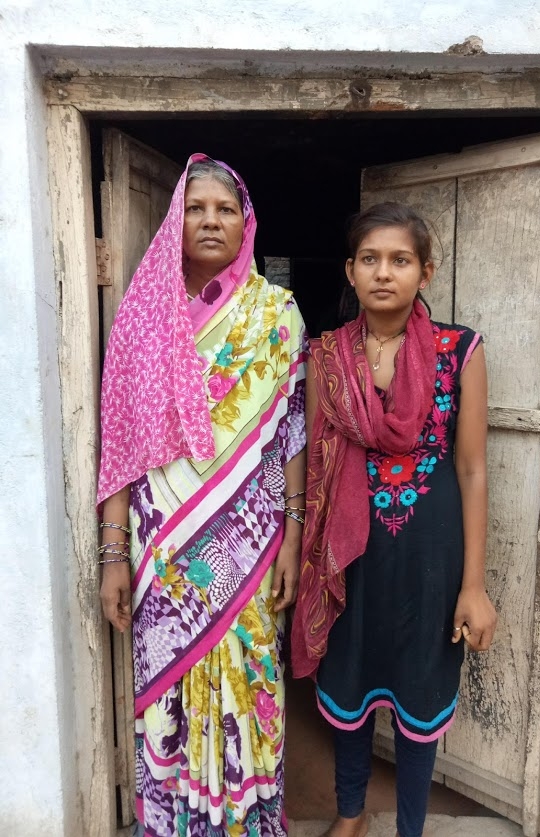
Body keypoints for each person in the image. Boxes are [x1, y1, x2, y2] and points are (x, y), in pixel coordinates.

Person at [97, 154, 308, 837]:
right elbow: (122, 443)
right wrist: (111, 554)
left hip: (249, 543)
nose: (211, 220)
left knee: (252, 681)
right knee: (173, 696)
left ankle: (245, 821)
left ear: (245, 222)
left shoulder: (276, 314)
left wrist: (295, 536)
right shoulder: (142, 318)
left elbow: (293, 430)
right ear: (175, 220)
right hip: (162, 545)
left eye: (224, 208)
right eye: (196, 208)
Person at [292, 202, 497, 837]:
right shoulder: (325, 356)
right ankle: (350, 816)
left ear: (425, 272)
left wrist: (473, 585)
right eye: (371, 259)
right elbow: (311, 455)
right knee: (348, 693)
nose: (385, 272)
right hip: (348, 557)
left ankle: (411, 827)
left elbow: (471, 470)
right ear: (350, 272)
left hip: (429, 565)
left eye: (401, 260)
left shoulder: (458, 350)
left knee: (419, 695)